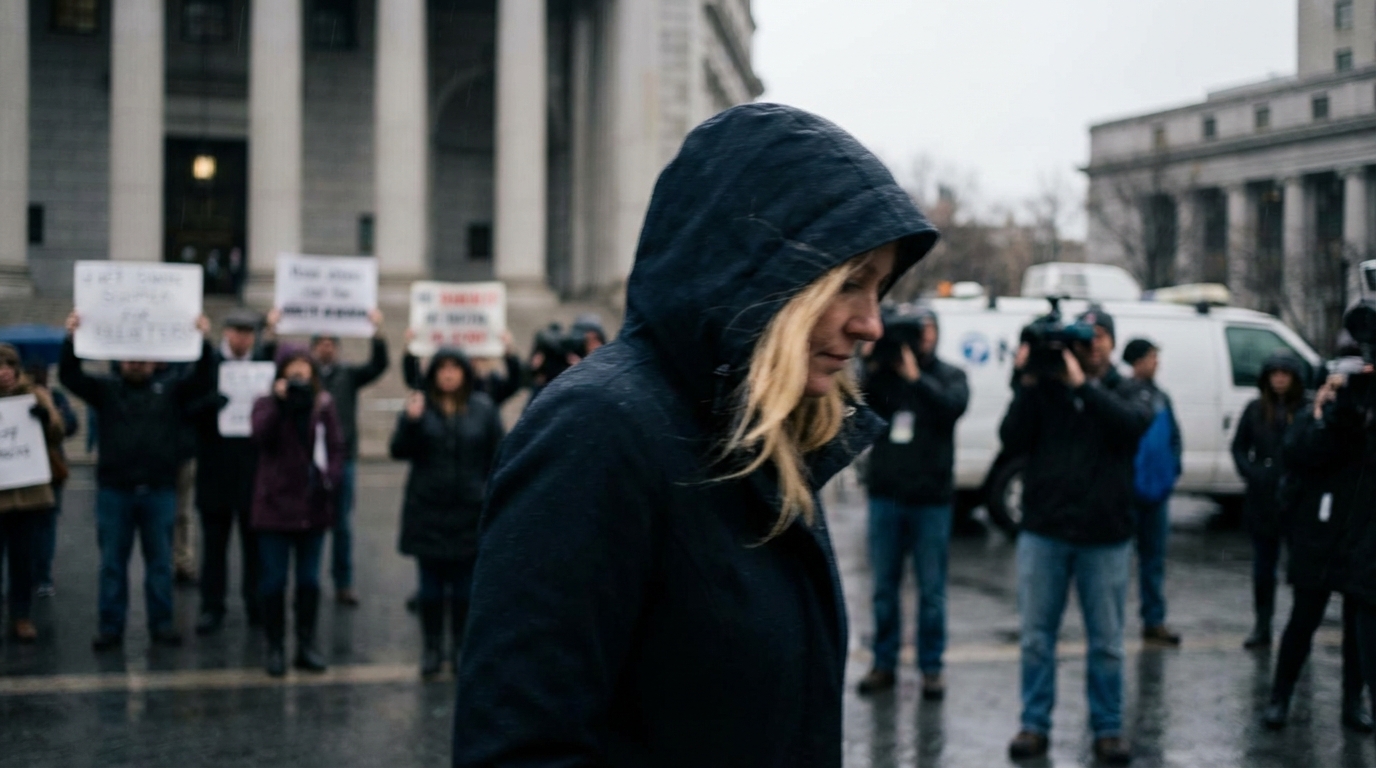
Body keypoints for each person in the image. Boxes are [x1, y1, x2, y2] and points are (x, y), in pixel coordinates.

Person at [450, 104, 938, 767]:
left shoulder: (767, 432)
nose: (871, 324)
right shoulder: (598, 429)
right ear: (760, 273)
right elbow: (520, 746)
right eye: (849, 284)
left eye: (878, 289)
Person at [1000, 307, 1153, 765]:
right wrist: (1027, 379)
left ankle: (1107, 728)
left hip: (1104, 535)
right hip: (1045, 530)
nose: (1093, 344)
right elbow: (1011, 439)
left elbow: (1132, 426)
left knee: (1106, 641)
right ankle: (1034, 725)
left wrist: (1083, 386)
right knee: (1035, 638)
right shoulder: (1044, 387)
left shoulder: (1129, 388)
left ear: (1111, 344)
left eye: (1101, 336)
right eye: (1085, 337)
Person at [59, 311, 214, 650]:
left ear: (155, 360)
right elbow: (70, 376)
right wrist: (71, 340)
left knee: (160, 564)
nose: (136, 362)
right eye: (129, 355)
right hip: (116, 492)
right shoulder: (106, 389)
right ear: (120, 359)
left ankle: (161, 624)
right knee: (113, 564)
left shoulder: (172, 390)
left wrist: (203, 340)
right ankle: (111, 626)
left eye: (143, 356)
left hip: (158, 491)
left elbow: (204, 380)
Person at [856, 308, 969, 699]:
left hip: (931, 500)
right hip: (886, 495)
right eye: (915, 331)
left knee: (931, 591)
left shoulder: (949, 375)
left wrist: (916, 378)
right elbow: (857, 405)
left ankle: (931, 667)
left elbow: (951, 409)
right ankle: (883, 663)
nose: (922, 337)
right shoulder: (883, 375)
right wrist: (871, 362)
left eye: (928, 329)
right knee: (884, 589)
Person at [1259, 370, 1373, 732]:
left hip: (1359, 537)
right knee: (1303, 620)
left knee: (1358, 630)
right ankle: (1280, 697)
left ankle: (1353, 702)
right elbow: (1296, 453)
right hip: (1316, 535)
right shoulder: (1318, 418)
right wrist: (1322, 413)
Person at [390, 350, 504, 676]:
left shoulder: (483, 409)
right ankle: (432, 647)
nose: (449, 374)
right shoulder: (420, 407)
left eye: (456, 368)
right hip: (428, 513)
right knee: (430, 589)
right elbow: (398, 450)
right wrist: (411, 423)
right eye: (443, 368)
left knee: (466, 590)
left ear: (466, 373)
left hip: (469, 514)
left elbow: (498, 455)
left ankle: (459, 647)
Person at [266, 308, 387, 608]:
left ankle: (343, 583)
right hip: (302, 460)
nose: (326, 346)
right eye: (320, 342)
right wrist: (271, 333)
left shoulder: (348, 374)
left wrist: (378, 332)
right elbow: (268, 365)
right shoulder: (300, 376)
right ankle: (307, 581)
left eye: (332, 342)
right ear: (312, 348)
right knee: (306, 522)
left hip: (340, 458)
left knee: (342, 524)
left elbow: (377, 365)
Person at [249, 348, 344, 677]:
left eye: (305, 371)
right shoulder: (266, 403)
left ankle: (306, 645)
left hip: (311, 507)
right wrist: (279, 404)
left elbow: (336, 446)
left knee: (309, 581)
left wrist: (331, 477)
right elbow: (261, 436)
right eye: (293, 371)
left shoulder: (323, 406)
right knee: (274, 581)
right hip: (274, 508)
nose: (299, 377)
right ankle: (275, 647)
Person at [189, 309, 270, 635]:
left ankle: (255, 604)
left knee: (254, 548)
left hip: (253, 472)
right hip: (215, 471)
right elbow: (187, 410)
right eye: (237, 331)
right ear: (226, 333)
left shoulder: (264, 364)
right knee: (214, 549)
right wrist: (211, 404)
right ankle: (212, 607)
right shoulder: (206, 364)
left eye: (248, 332)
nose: (242, 338)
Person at [1231, 352, 1307, 650]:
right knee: (1263, 568)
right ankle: (1262, 625)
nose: (1279, 379)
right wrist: (1252, 473)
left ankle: (1299, 630)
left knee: (1300, 569)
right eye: (1274, 373)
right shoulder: (1254, 409)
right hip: (1262, 501)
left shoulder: (1303, 409)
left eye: (1285, 373)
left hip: (1296, 501)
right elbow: (1238, 447)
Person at [1121, 338, 1183, 647]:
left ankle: (1154, 620)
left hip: (1157, 492)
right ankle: (1114, 620)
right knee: (1118, 560)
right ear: (1137, 361)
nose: (1156, 362)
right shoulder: (1123, 394)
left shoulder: (1162, 397)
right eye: (1152, 357)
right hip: (1128, 492)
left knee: (1153, 560)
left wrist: (1172, 472)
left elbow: (1174, 438)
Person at [0, 345, 64, 642]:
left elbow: (58, 433)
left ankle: (21, 617)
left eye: (9, 366)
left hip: (27, 496)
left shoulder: (34, 394)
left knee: (22, 561)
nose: (4, 372)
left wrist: (46, 418)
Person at [26, 362, 79, 599]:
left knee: (44, 525)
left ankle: (42, 575)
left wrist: (50, 413)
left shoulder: (55, 396)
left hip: (48, 469)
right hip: (23, 469)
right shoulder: (11, 397)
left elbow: (70, 425)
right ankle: (33, 575)